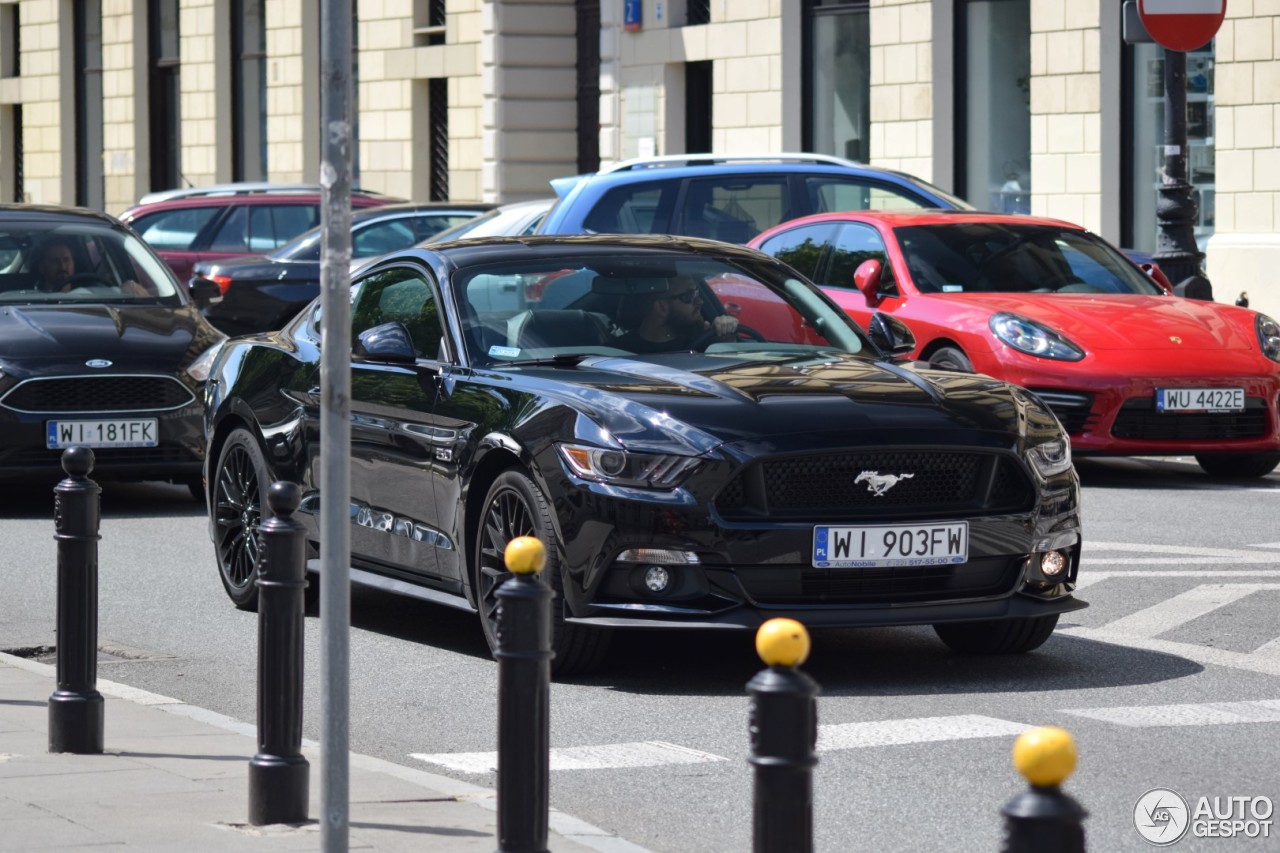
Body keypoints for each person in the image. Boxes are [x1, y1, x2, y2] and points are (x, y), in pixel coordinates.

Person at [615, 275, 739, 353]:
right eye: (689, 296)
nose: (700, 302)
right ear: (661, 307)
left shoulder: (705, 340)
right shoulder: (618, 353)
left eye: (697, 293)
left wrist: (726, 339)